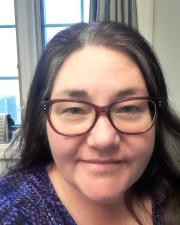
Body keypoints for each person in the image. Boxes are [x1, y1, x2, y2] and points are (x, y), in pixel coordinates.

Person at [0, 22, 180, 225]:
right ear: (43, 122)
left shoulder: (171, 190)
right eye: (74, 110)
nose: (103, 139)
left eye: (128, 108)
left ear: (157, 117)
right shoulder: (9, 212)